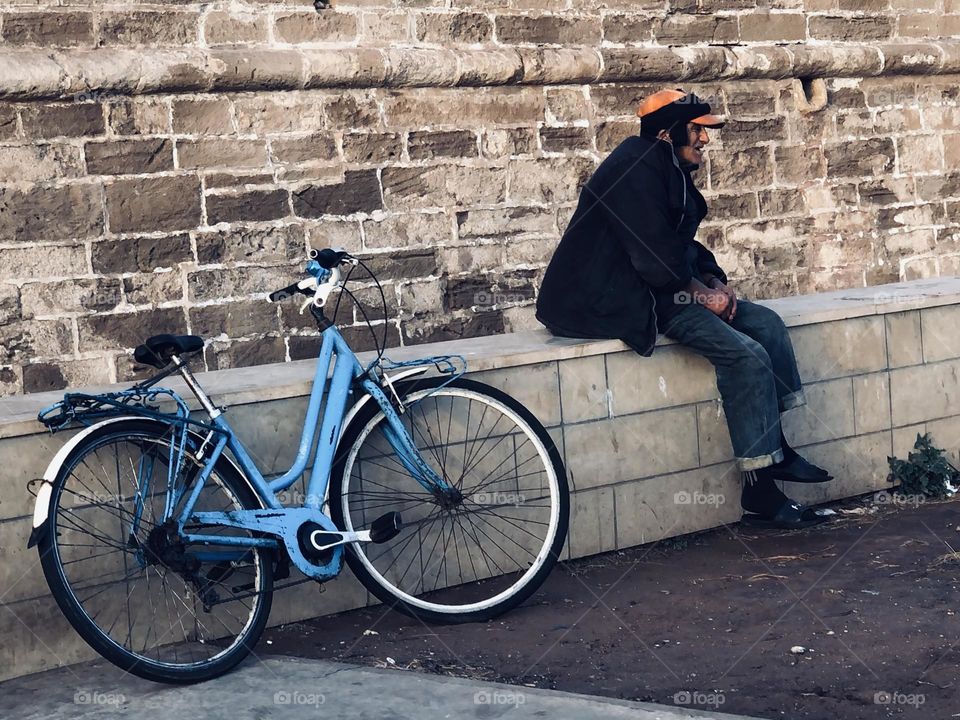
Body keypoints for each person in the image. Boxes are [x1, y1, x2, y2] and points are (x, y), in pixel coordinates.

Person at [536, 89, 833, 529]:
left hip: (661, 286)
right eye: (696, 130)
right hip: (614, 298)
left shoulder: (665, 167)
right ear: (666, 132)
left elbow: (678, 243)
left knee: (767, 325)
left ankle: (777, 451)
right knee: (746, 356)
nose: (704, 140)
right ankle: (764, 492)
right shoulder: (636, 166)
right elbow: (653, 257)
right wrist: (700, 293)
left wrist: (712, 279)